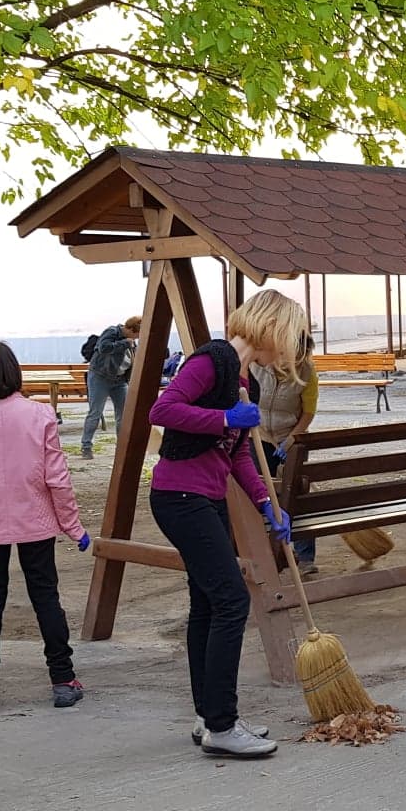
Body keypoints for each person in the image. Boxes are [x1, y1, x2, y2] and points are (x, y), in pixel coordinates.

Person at [149, 291, 303, 759]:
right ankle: (222, 724)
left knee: (208, 603)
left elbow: (238, 455)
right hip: (180, 496)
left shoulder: (244, 381)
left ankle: (208, 715)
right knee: (232, 599)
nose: (290, 349)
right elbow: (162, 410)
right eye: (290, 336)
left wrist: (266, 504)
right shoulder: (211, 360)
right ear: (272, 328)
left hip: (207, 498)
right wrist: (223, 417)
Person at [0, 341, 89, 716]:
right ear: (13, 373)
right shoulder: (40, 414)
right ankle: (63, 680)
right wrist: (73, 526)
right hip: (36, 522)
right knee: (46, 597)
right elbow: (57, 478)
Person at [252, 332, 319, 573]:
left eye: (302, 357)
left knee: (296, 496)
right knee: (260, 494)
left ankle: (305, 557)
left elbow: (308, 413)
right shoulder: (257, 367)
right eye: (292, 356)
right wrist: (260, 434)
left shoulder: (307, 373)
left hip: (291, 438)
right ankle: (266, 553)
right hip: (258, 436)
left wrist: (290, 440)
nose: (295, 362)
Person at [81, 316, 141, 459]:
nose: (137, 338)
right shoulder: (112, 332)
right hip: (100, 377)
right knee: (95, 412)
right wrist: (124, 343)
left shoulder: (131, 342)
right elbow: (103, 348)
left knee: (123, 414)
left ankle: (122, 447)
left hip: (119, 380)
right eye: (137, 334)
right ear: (131, 330)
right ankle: (86, 446)